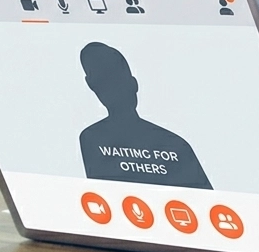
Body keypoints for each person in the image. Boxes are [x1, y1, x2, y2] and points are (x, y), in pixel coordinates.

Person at [79, 41, 212, 190]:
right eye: (105, 81)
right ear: (93, 86)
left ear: (134, 83)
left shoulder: (176, 145)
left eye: (118, 77)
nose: (116, 89)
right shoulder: (92, 138)